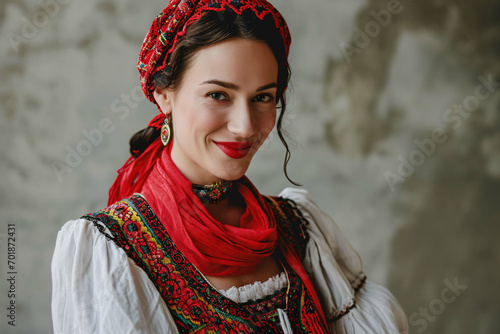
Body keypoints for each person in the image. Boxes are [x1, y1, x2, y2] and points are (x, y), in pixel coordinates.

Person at [51, 0, 409, 333]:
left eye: (262, 98)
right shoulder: (115, 250)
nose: (245, 126)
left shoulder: (299, 227)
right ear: (164, 94)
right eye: (218, 95)